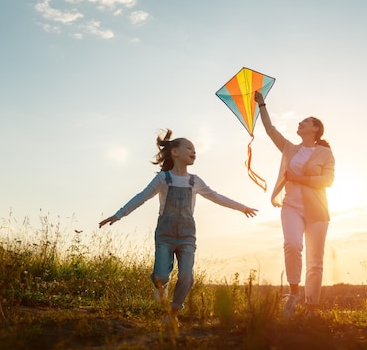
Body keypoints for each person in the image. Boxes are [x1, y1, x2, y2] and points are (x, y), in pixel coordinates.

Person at [98, 129, 258, 328]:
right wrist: (119, 214)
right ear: (175, 152)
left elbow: (217, 197)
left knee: (186, 276)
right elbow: (142, 196)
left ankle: (173, 314)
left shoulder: (195, 181)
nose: (194, 151)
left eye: (195, 149)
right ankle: (160, 284)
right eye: (189, 148)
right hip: (165, 234)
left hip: (187, 235)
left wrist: (242, 207)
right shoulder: (163, 179)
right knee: (162, 276)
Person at [254, 91, 335, 317]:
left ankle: (311, 307)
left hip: (317, 211)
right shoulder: (290, 149)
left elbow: (327, 181)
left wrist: (298, 178)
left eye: (305, 121)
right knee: (292, 245)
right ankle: (293, 293)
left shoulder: (325, 154)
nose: (300, 123)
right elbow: (270, 130)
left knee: (315, 261)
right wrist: (262, 104)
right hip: (291, 206)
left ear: (315, 129)